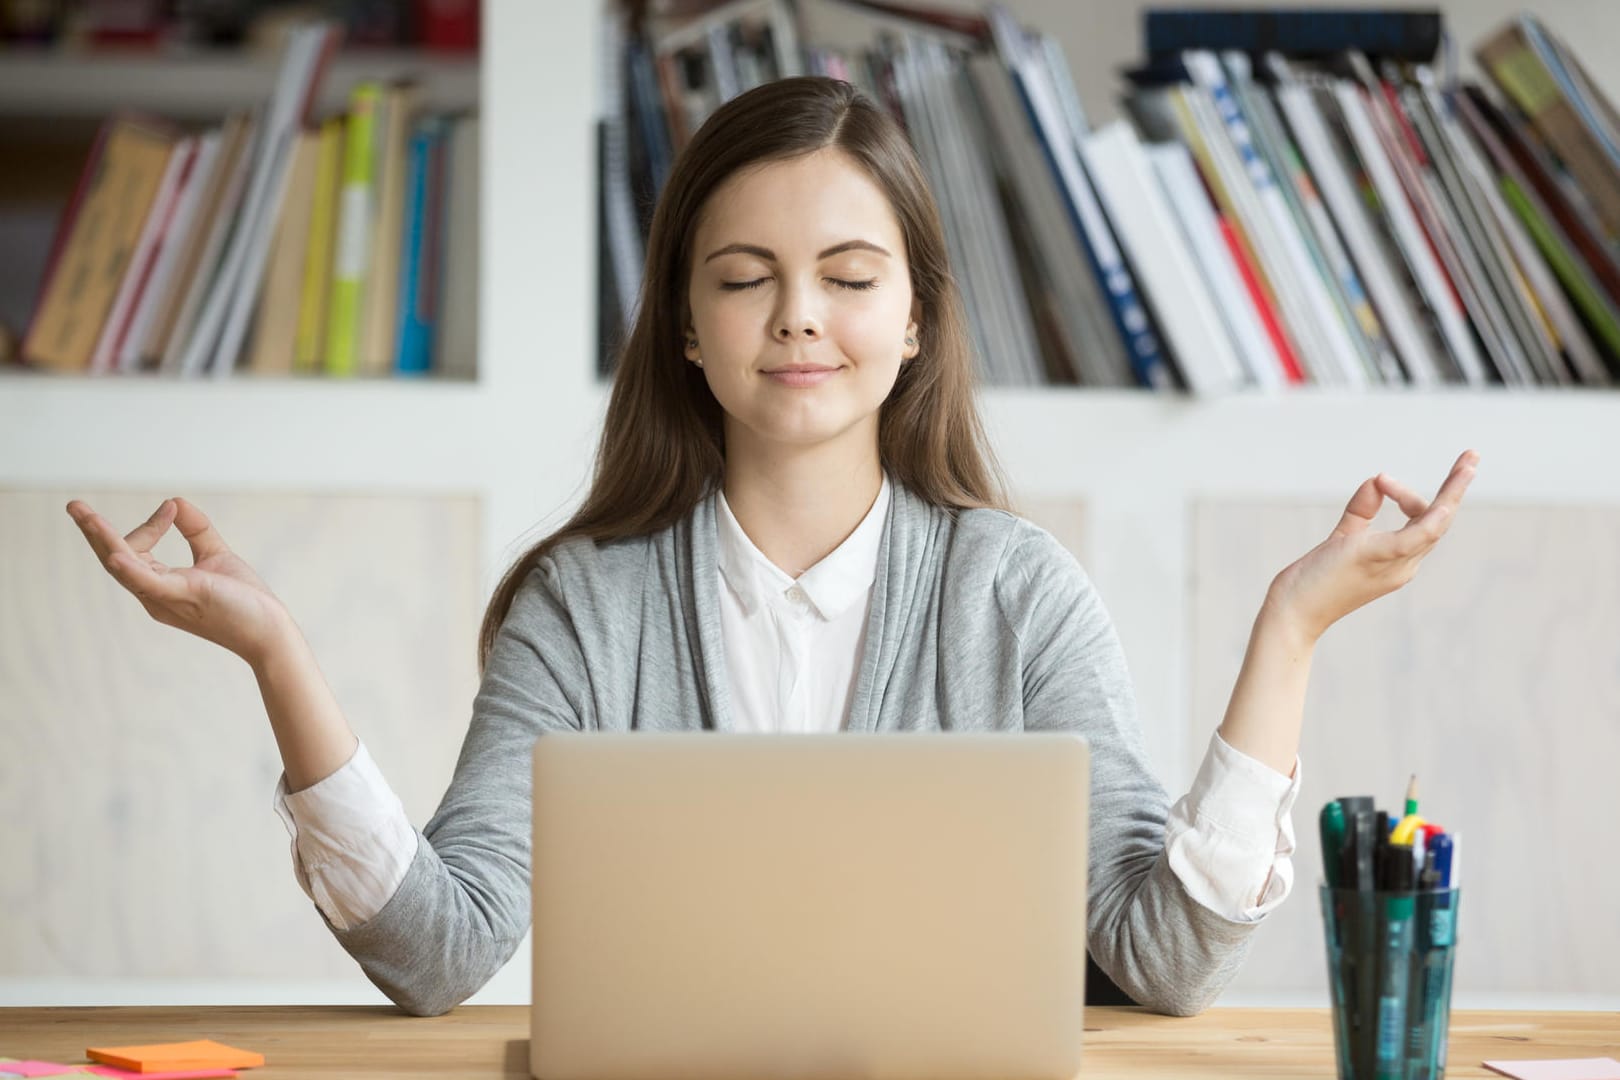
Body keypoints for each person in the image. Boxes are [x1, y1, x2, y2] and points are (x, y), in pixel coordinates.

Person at [65, 76, 1478, 1018]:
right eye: (746, 281)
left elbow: (1161, 963)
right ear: (687, 326)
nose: (799, 316)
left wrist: (1288, 631)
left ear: (915, 317)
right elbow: (440, 956)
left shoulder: (1016, 592)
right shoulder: (586, 605)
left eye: (850, 280)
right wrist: (276, 654)